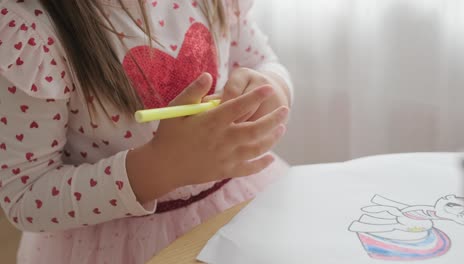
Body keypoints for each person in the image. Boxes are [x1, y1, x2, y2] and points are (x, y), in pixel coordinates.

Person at [0, 0, 292, 263]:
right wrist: (160, 167)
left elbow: (262, 63)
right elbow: (25, 196)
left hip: (238, 203)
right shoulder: (32, 33)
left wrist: (270, 89)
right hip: (115, 245)